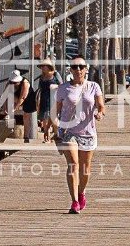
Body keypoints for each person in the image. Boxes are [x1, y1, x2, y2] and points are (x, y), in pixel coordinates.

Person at [54, 56, 104, 213]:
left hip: (88, 132)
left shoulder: (93, 86)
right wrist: (53, 129)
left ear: (86, 69)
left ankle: (81, 192)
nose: (78, 70)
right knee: (73, 164)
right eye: (74, 67)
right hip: (69, 132)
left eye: (81, 67)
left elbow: (101, 105)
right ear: (70, 69)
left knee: (85, 169)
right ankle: (74, 201)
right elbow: (55, 111)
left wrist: (99, 113)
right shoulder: (63, 89)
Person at [33, 60, 61, 141]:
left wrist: (54, 87)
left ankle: (57, 135)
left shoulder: (56, 74)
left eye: (43, 66)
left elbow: (62, 86)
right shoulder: (41, 77)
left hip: (54, 99)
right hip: (44, 100)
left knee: (54, 119)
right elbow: (39, 89)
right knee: (45, 120)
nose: (42, 68)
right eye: (41, 66)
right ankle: (47, 138)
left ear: (48, 66)